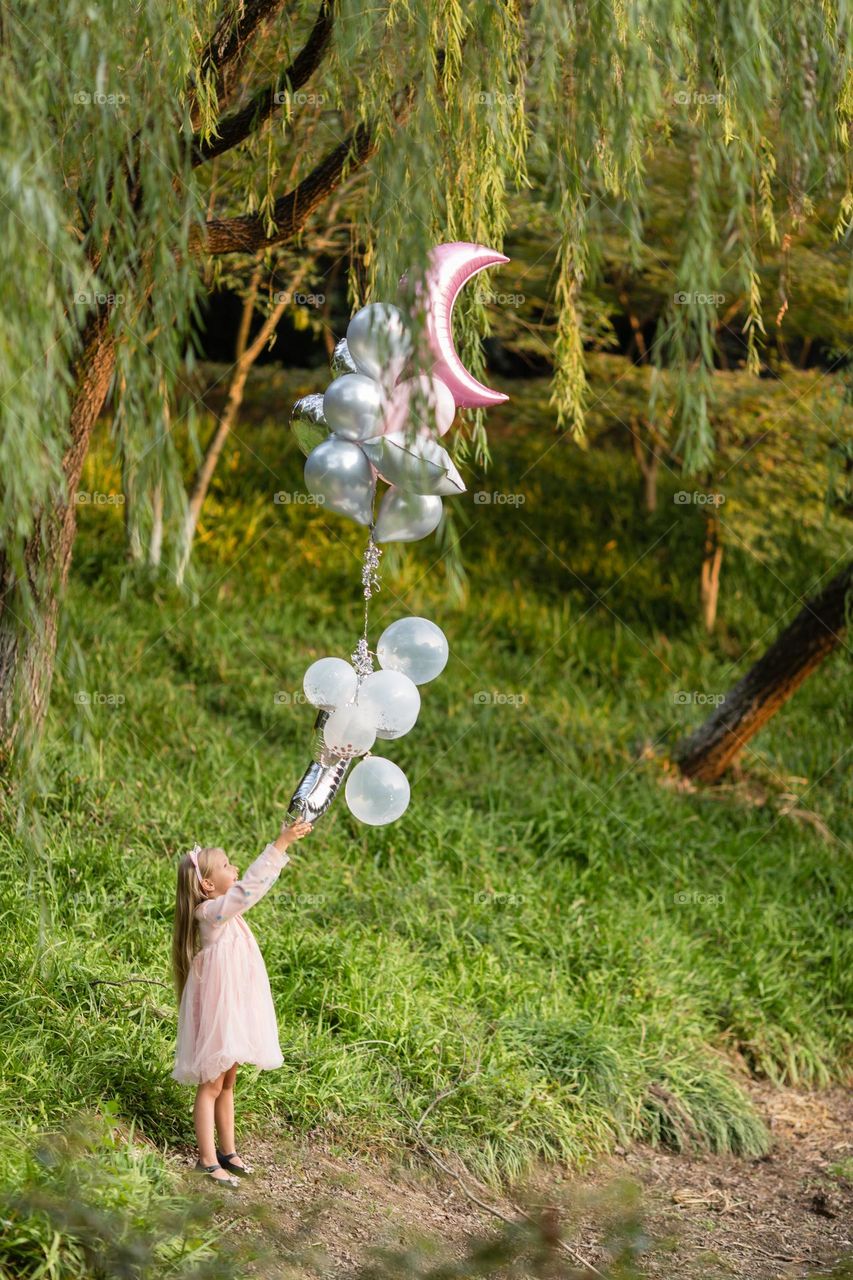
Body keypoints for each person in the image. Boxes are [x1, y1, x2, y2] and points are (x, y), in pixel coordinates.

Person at [171, 817, 314, 1186]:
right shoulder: (211, 913)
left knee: (228, 1079)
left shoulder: (224, 913)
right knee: (212, 1083)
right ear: (206, 885)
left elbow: (244, 890)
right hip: (222, 1010)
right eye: (225, 865)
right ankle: (205, 1159)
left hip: (233, 1008)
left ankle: (228, 1150)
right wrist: (279, 845)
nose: (233, 867)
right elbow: (248, 889)